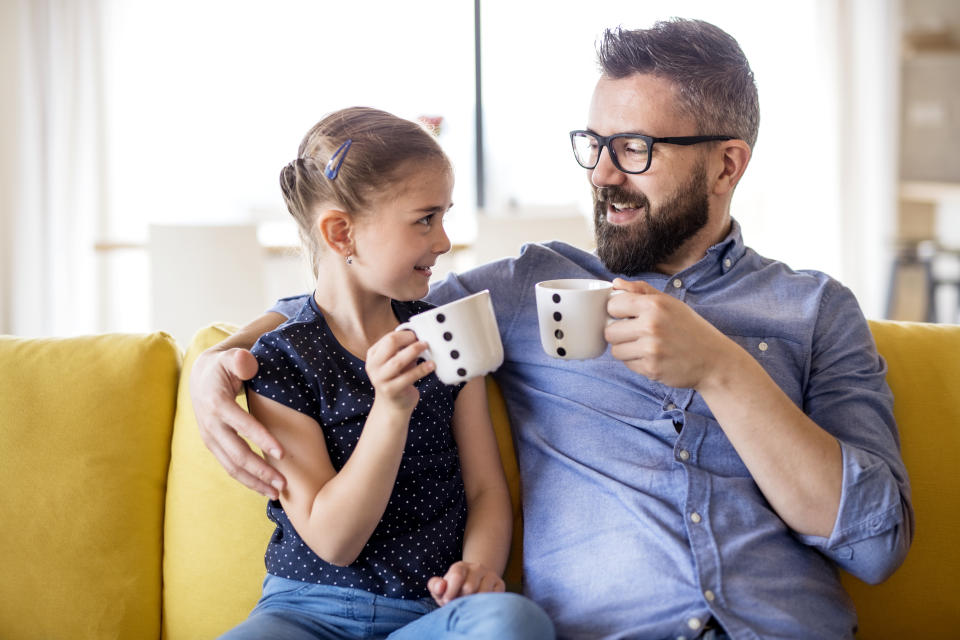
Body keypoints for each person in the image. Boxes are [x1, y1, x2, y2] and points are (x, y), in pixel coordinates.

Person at [192, 20, 913, 640]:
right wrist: (217, 360)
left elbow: (876, 545)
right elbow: (365, 289)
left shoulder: (815, 309)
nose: (602, 173)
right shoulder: (525, 290)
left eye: (634, 148)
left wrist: (722, 371)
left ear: (727, 164)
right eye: (593, 144)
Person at [215, 107, 554, 640]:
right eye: (425, 219)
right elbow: (334, 540)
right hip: (304, 613)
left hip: (426, 615)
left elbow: (487, 489)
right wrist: (391, 409)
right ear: (341, 233)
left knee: (513, 622)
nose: (443, 241)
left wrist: (479, 568)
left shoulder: (444, 333)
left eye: (444, 216)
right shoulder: (280, 359)